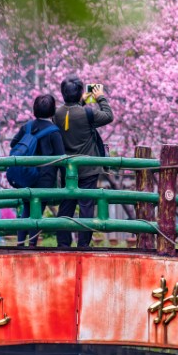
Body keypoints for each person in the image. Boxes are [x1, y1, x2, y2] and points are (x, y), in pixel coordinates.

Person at [54, 76, 113, 248]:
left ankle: (63, 244)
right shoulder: (88, 113)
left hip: (66, 169)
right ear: (80, 92)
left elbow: (71, 120)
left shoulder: (57, 114)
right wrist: (100, 97)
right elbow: (108, 116)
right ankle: (83, 245)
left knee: (66, 207)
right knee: (86, 207)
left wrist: (81, 103)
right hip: (88, 168)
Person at [8, 94, 65, 247]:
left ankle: (21, 243)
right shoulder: (54, 131)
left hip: (26, 176)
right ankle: (32, 244)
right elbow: (62, 158)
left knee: (26, 208)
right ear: (53, 111)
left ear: (34, 110)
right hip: (44, 178)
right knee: (37, 211)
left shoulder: (27, 127)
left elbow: (13, 143)